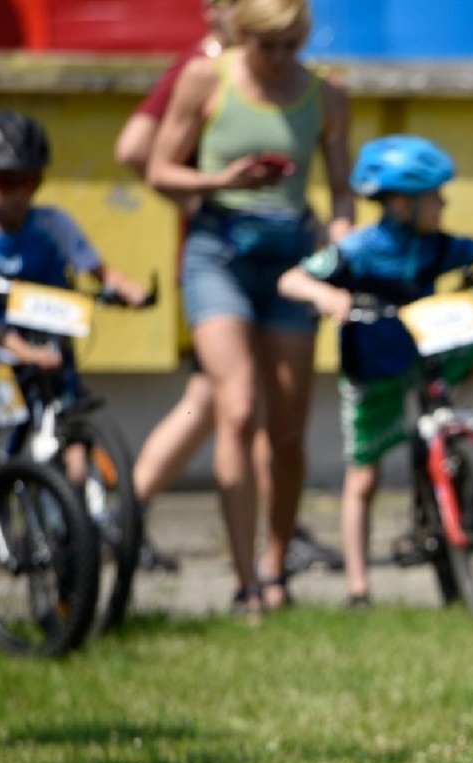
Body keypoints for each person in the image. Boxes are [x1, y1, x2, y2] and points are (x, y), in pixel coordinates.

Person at [113, 0, 341, 577]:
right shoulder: (200, 77)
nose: (281, 58)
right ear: (242, 35)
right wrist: (222, 180)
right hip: (218, 252)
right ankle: (244, 582)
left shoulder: (328, 96)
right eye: (269, 46)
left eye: (293, 45)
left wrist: (340, 242)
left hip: (290, 261)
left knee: (287, 434)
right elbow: (156, 166)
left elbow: (341, 191)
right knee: (233, 408)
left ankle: (276, 565)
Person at [277, 135, 473, 610]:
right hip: (374, 363)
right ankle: (358, 588)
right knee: (363, 477)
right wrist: (325, 296)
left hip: (426, 350)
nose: (444, 203)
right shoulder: (360, 249)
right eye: (435, 196)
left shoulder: (435, 244)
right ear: (402, 203)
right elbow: (293, 278)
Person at [0, 110, 151, 391]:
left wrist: (128, 288)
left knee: (78, 433)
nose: (20, 195)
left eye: (29, 182)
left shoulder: (54, 224)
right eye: (7, 183)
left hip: (54, 352)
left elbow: (101, 272)